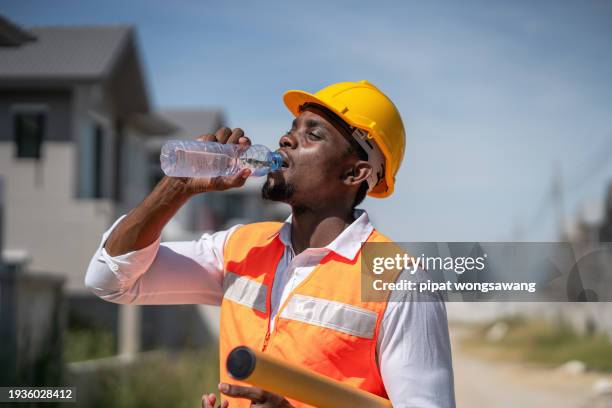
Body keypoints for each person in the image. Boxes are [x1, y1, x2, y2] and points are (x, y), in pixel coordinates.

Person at [85, 80, 455, 408]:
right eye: (292, 128)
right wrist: (175, 188)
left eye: (314, 134)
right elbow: (108, 280)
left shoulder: (400, 280)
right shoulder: (239, 246)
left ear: (354, 171)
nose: (286, 139)